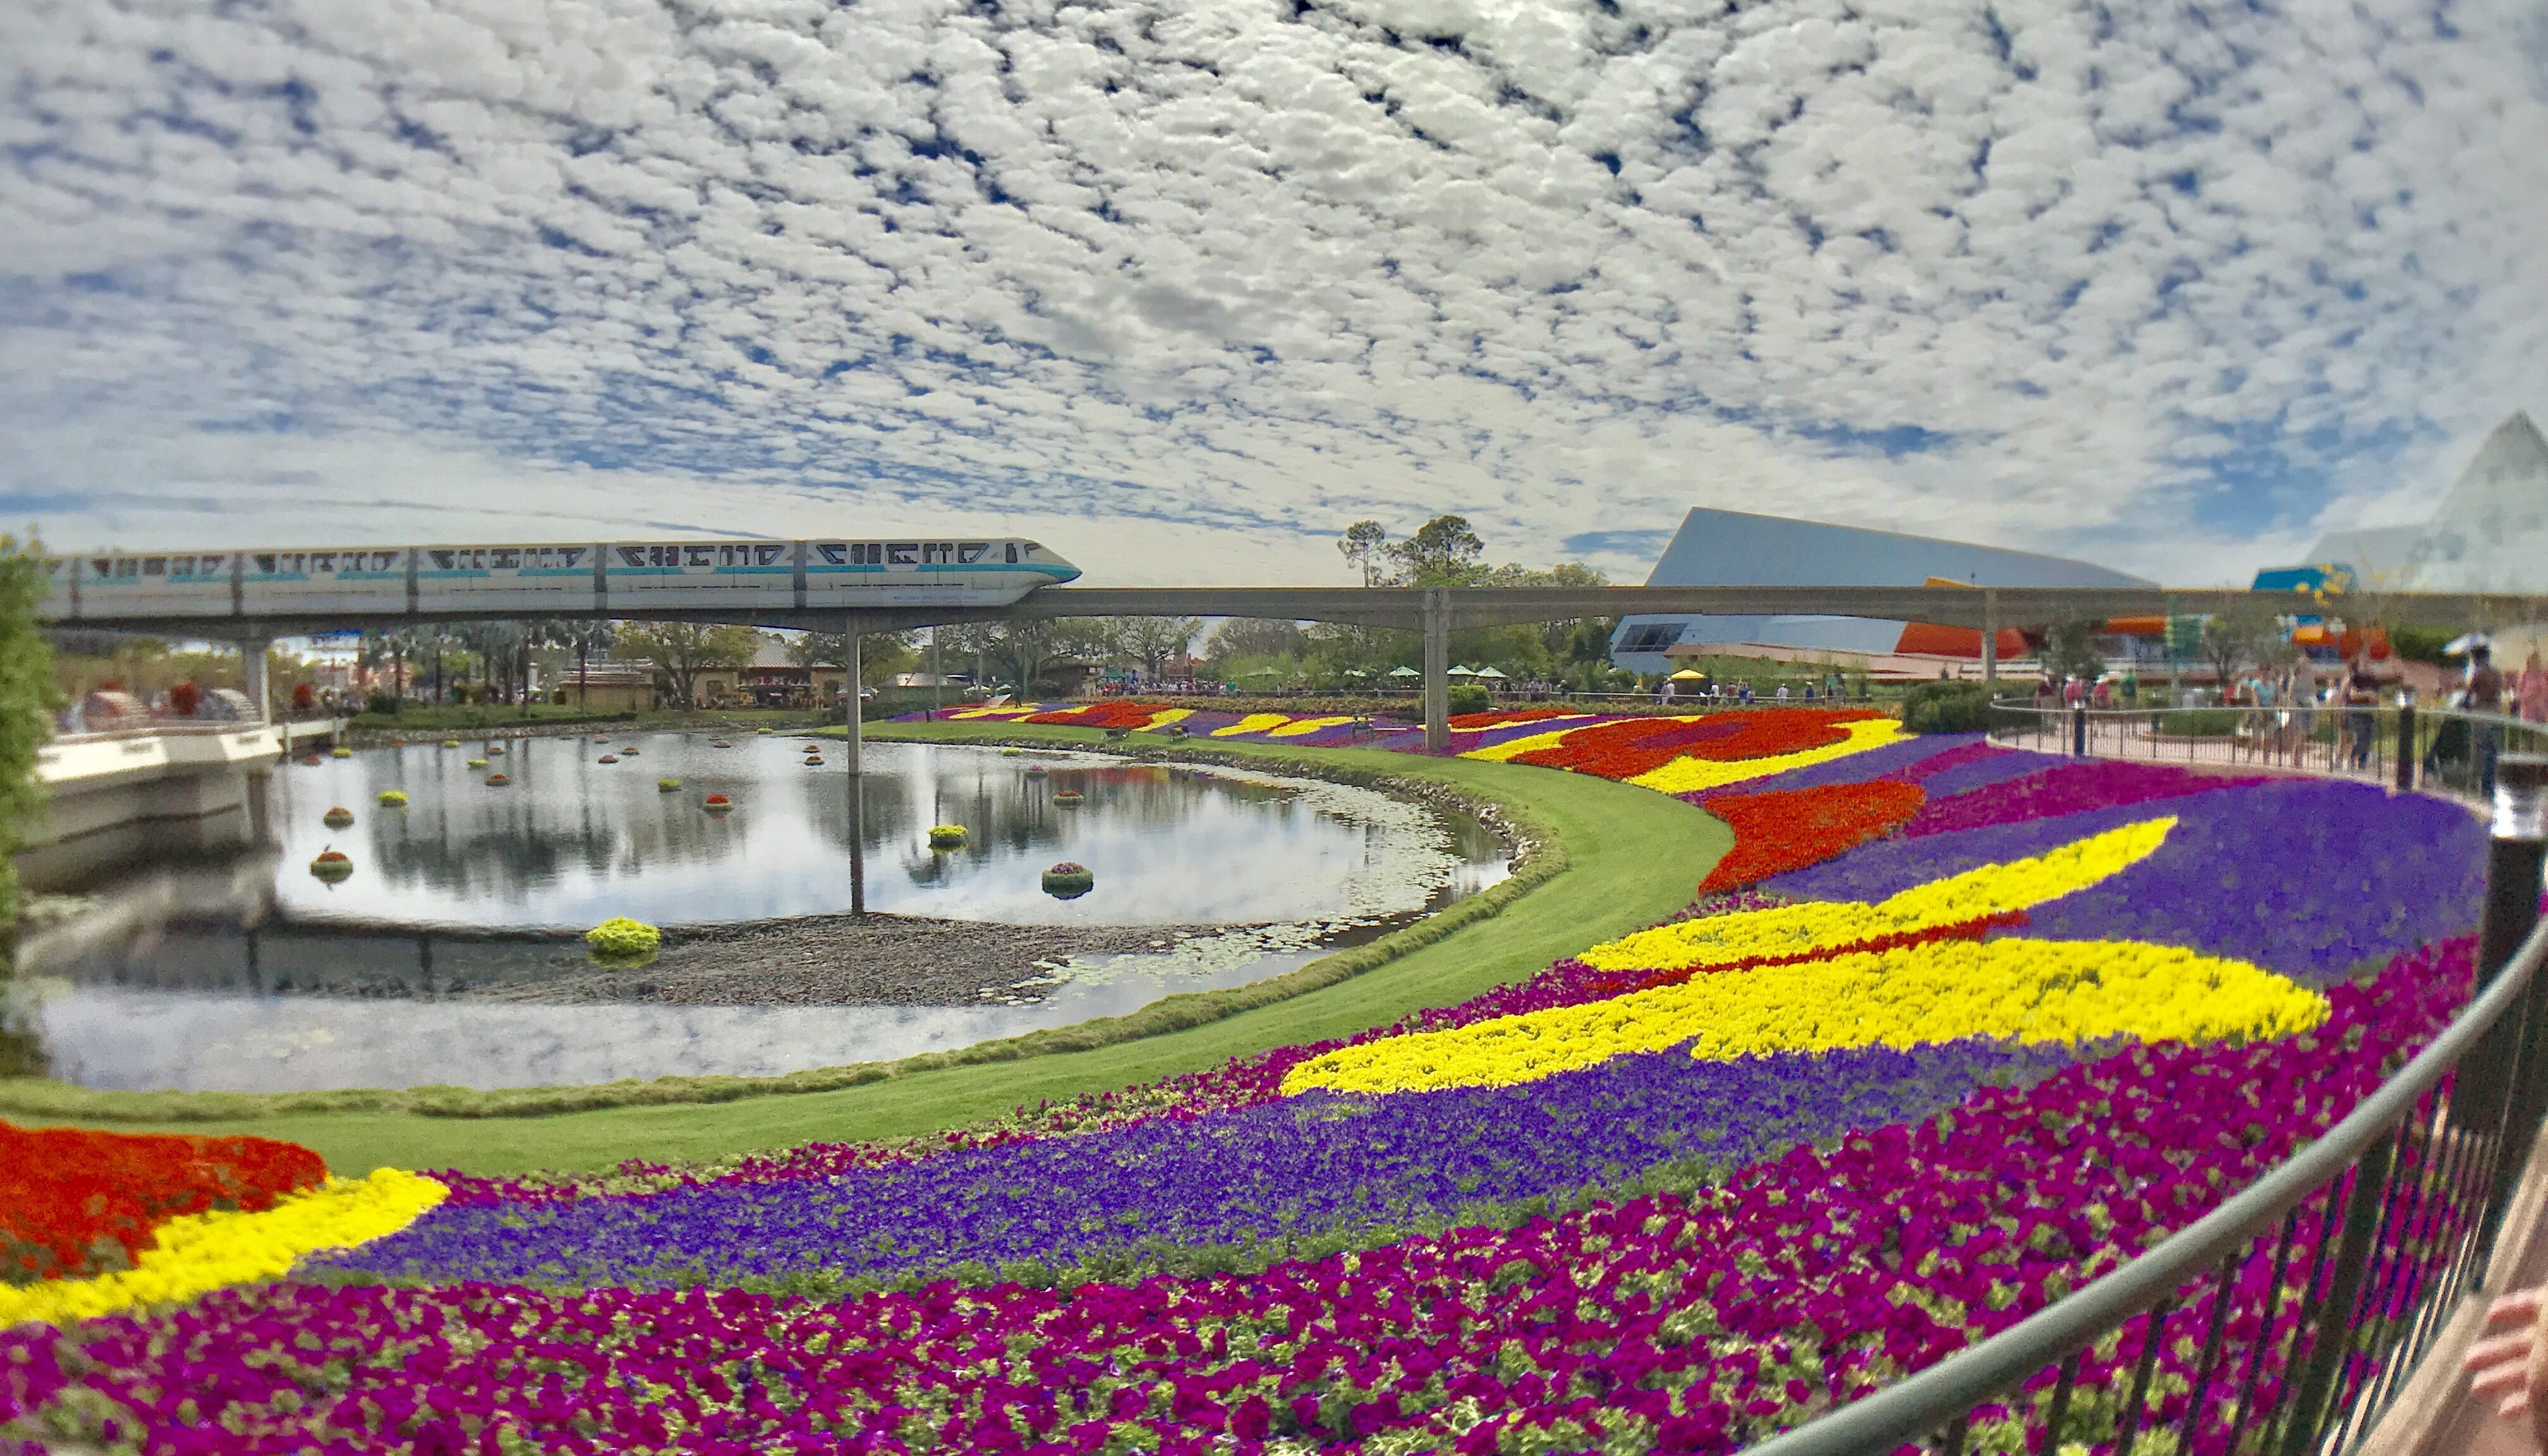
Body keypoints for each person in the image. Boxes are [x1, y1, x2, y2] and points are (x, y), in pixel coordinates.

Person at [2470, 644, 2508, 796]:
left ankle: (2479, 784)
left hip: (2482, 712)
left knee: (2480, 749)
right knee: (2492, 749)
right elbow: (2499, 691)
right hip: (2495, 712)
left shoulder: (2479, 672)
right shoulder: (2496, 672)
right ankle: (2490, 783)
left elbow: (2471, 691)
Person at [2342, 654, 2379, 771]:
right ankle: (2353, 760)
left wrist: (2371, 697)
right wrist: (2367, 694)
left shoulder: (2372, 679)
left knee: (2368, 739)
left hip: (2368, 713)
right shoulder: (2355, 679)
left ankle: (2363, 764)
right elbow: (2353, 695)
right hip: (2355, 712)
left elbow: (2376, 697)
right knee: (2359, 738)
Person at [2522, 650, 2548, 724]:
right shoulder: (2525, 677)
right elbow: (2521, 697)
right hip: (2528, 715)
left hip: (2542, 715)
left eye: (2537, 662)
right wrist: (2533, 695)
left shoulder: (2543, 677)